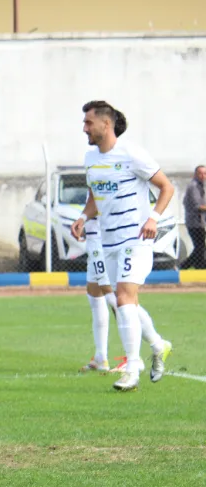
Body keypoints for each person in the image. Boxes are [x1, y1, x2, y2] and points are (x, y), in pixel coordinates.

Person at [70, 100, 173, 391]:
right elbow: (95, 196)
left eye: (88, 122)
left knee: (124, 297)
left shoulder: (132, 154)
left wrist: (153, 218)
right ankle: (158, 344)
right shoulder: (90, 158)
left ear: (106, 124)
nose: (84, 128)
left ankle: (132, 368)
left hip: (135, 239)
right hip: (108, 240)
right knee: (123, 298)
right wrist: (83, 217)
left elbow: (167, 187)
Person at [181, 165, 206, 269]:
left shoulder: (200, 186)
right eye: (200, 173)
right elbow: (197, 205)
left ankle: (200, 266)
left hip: (199, 221)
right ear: (195, 174)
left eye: (205, 173)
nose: (203, 176)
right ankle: (184, 266)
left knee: (200, 247)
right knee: (200, 247)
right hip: (195, 222)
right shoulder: (194, 186)